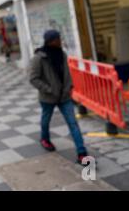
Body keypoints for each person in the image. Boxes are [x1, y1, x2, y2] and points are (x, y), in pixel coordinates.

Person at [29, 29, 88, 164]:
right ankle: (45, 139)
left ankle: (82, 153)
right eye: (58, 39)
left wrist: (69, 87)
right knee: (46, 120)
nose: (60, 41)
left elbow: (67, 74)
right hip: (48, 98)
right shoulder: (39, 58)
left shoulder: (62, 54)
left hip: (64, 97)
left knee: (73, 123)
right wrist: (49, 89)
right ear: (51, 41)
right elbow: (33, 78)